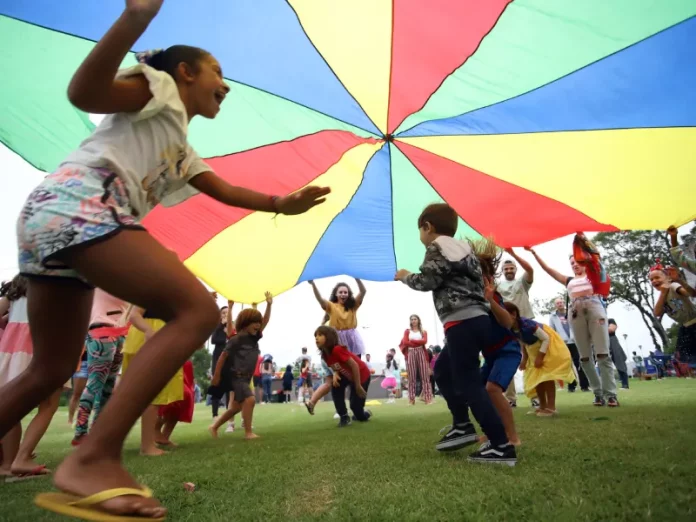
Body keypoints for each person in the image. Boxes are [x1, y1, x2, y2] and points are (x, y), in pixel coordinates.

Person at [10, 4, 328, 517]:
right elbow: (83, 94)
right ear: (185, 72)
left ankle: (90, 454)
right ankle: (93, 457)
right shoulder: (155, 91)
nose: (226, 83)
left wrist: (280, 205)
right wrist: (136, 17)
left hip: (51, 217)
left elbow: (224, 189)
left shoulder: (180, 145)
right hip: (83, 204)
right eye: (217, 71)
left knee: (50, 368)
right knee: (197, 311)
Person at [395, 203, 516, 466]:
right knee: (441, 371)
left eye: (420, 231)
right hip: (478, 321)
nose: (421, 238)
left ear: (428, 227)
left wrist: (405, 276)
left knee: (470, 384)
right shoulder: (466, 250)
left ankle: (500, 445)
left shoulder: (436, 247)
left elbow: (427, 281)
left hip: (460, 323)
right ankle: (462, 424)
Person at [526, 242, 619, 407]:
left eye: (578, 262)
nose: (575, 265)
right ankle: (597, 394)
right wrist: (534, 254)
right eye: (572, 263)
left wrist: (583, 241)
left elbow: (597, 258)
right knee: (584, 357)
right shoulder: (568, 280)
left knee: (603, 354)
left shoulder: (594, 275)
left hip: (595, 310)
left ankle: (610, 394)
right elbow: (549, 271)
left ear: (584, 262)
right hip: (576, 313)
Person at [0, 276, 65, 479]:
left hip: (12, 352)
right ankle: (23, 457)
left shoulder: (13, 292)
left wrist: (8, 323)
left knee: (14, 404)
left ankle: (8, 463)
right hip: (43, 349)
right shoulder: (56, 286)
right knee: (48, 405)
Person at [208, 294, 273, 439]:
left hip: (245, 377)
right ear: (245, 323)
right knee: (250, 400)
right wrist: (217, 375)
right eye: (254, 322)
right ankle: (248, 432)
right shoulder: (236, 339)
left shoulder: (254, 336)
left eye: (258, 322)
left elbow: (266, 321)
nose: (258, 325)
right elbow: (223, 356)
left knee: (236, 407)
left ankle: (214, 426)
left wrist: (269, 305)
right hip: (237, 377)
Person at [72, 290, 130, 446]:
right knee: (95, 383)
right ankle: (81, 432)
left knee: (108, 385)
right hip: (102, 331)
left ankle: (98, 431)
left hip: (120, 333)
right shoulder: (103, 278)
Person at [505, 303, 576, 416]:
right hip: (533, 350)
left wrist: (540, 357)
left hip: (548, 347)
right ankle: (542, 406)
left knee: (547, 377)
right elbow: (524, 343)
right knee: (537, 380)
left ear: (513, 314)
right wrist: (525, 359)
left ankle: (551, 407)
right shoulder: (511, 329)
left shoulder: (528, 325)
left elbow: (546, 338)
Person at [496, 249, 535, 408]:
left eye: (511, 268)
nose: (509, 271)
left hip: (525, 325)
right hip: (506, 327)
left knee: (531, 361)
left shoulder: (522, 282)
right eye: (506, 269)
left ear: (516, 269)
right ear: (502, 271)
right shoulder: (498, 286)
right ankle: (511, 399)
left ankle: (535, 396)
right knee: (508, 361)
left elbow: (530, 270)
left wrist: (513, 254)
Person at [314, 326, 372, 427]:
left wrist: (358, 386)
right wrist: (336, 374)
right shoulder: (325, 355)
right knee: (335, 386)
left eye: (320, 335)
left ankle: (364, 414)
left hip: (361, 374)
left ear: (329, 337)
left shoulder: (337, 349)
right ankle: (344, 417)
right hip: (348, 375)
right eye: (315, 336)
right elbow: (335, 365)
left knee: (356, 409)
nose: (316, 338)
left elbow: (354, 365)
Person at [650, 263, 696, 365]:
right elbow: (657, 313)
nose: (654, 281)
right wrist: (663, 293)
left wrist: (679, 280)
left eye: (657, 277)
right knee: (687, 358)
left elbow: (692, 293)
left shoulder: (674, 286)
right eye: (651, 280)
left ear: (668, 278)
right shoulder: (662, 296)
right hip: (686, 328)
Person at [309, 278, 367, 358]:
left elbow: (363, 291)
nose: (343, 294)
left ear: (348, 294)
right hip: (337, 338)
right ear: (336, 294)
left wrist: (356, 277)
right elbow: (320, 299)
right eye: (340, 292)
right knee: (341, 364)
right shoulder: (331, 306)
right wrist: (313, 284)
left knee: (356, 363)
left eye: (345, 292)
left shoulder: (353, 306)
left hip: (352, 339)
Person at [548, 297, 589, 392]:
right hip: (563, 343)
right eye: (557, 303)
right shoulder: (553, 316)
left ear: (564, 303)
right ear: (555, 305)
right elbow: (552, 330)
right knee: (567, 365)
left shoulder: (571, 312)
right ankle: (572, 386)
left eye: (561, 302)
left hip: (575, 342)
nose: (560, 304)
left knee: (579, 363)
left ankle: (585, 386)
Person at [400, 315, 433, 405]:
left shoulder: (423, 331)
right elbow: (405, 342)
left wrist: (413, 342)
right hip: (411, 353)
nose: (413, 321)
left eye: (415, 319)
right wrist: (418, 342)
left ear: (418, 320)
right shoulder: (407, 331)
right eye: (412, 319)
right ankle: (411, 399)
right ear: (410, 321)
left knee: (425, 377)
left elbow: (425, 341)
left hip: (421, 352)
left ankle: (428, 398)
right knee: (411, 377)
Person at [608, 319, 629, 390]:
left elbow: (611, 329)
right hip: (603, 344)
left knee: (620, 363)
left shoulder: (610, 321)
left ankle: (625, 384)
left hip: (613, 342)